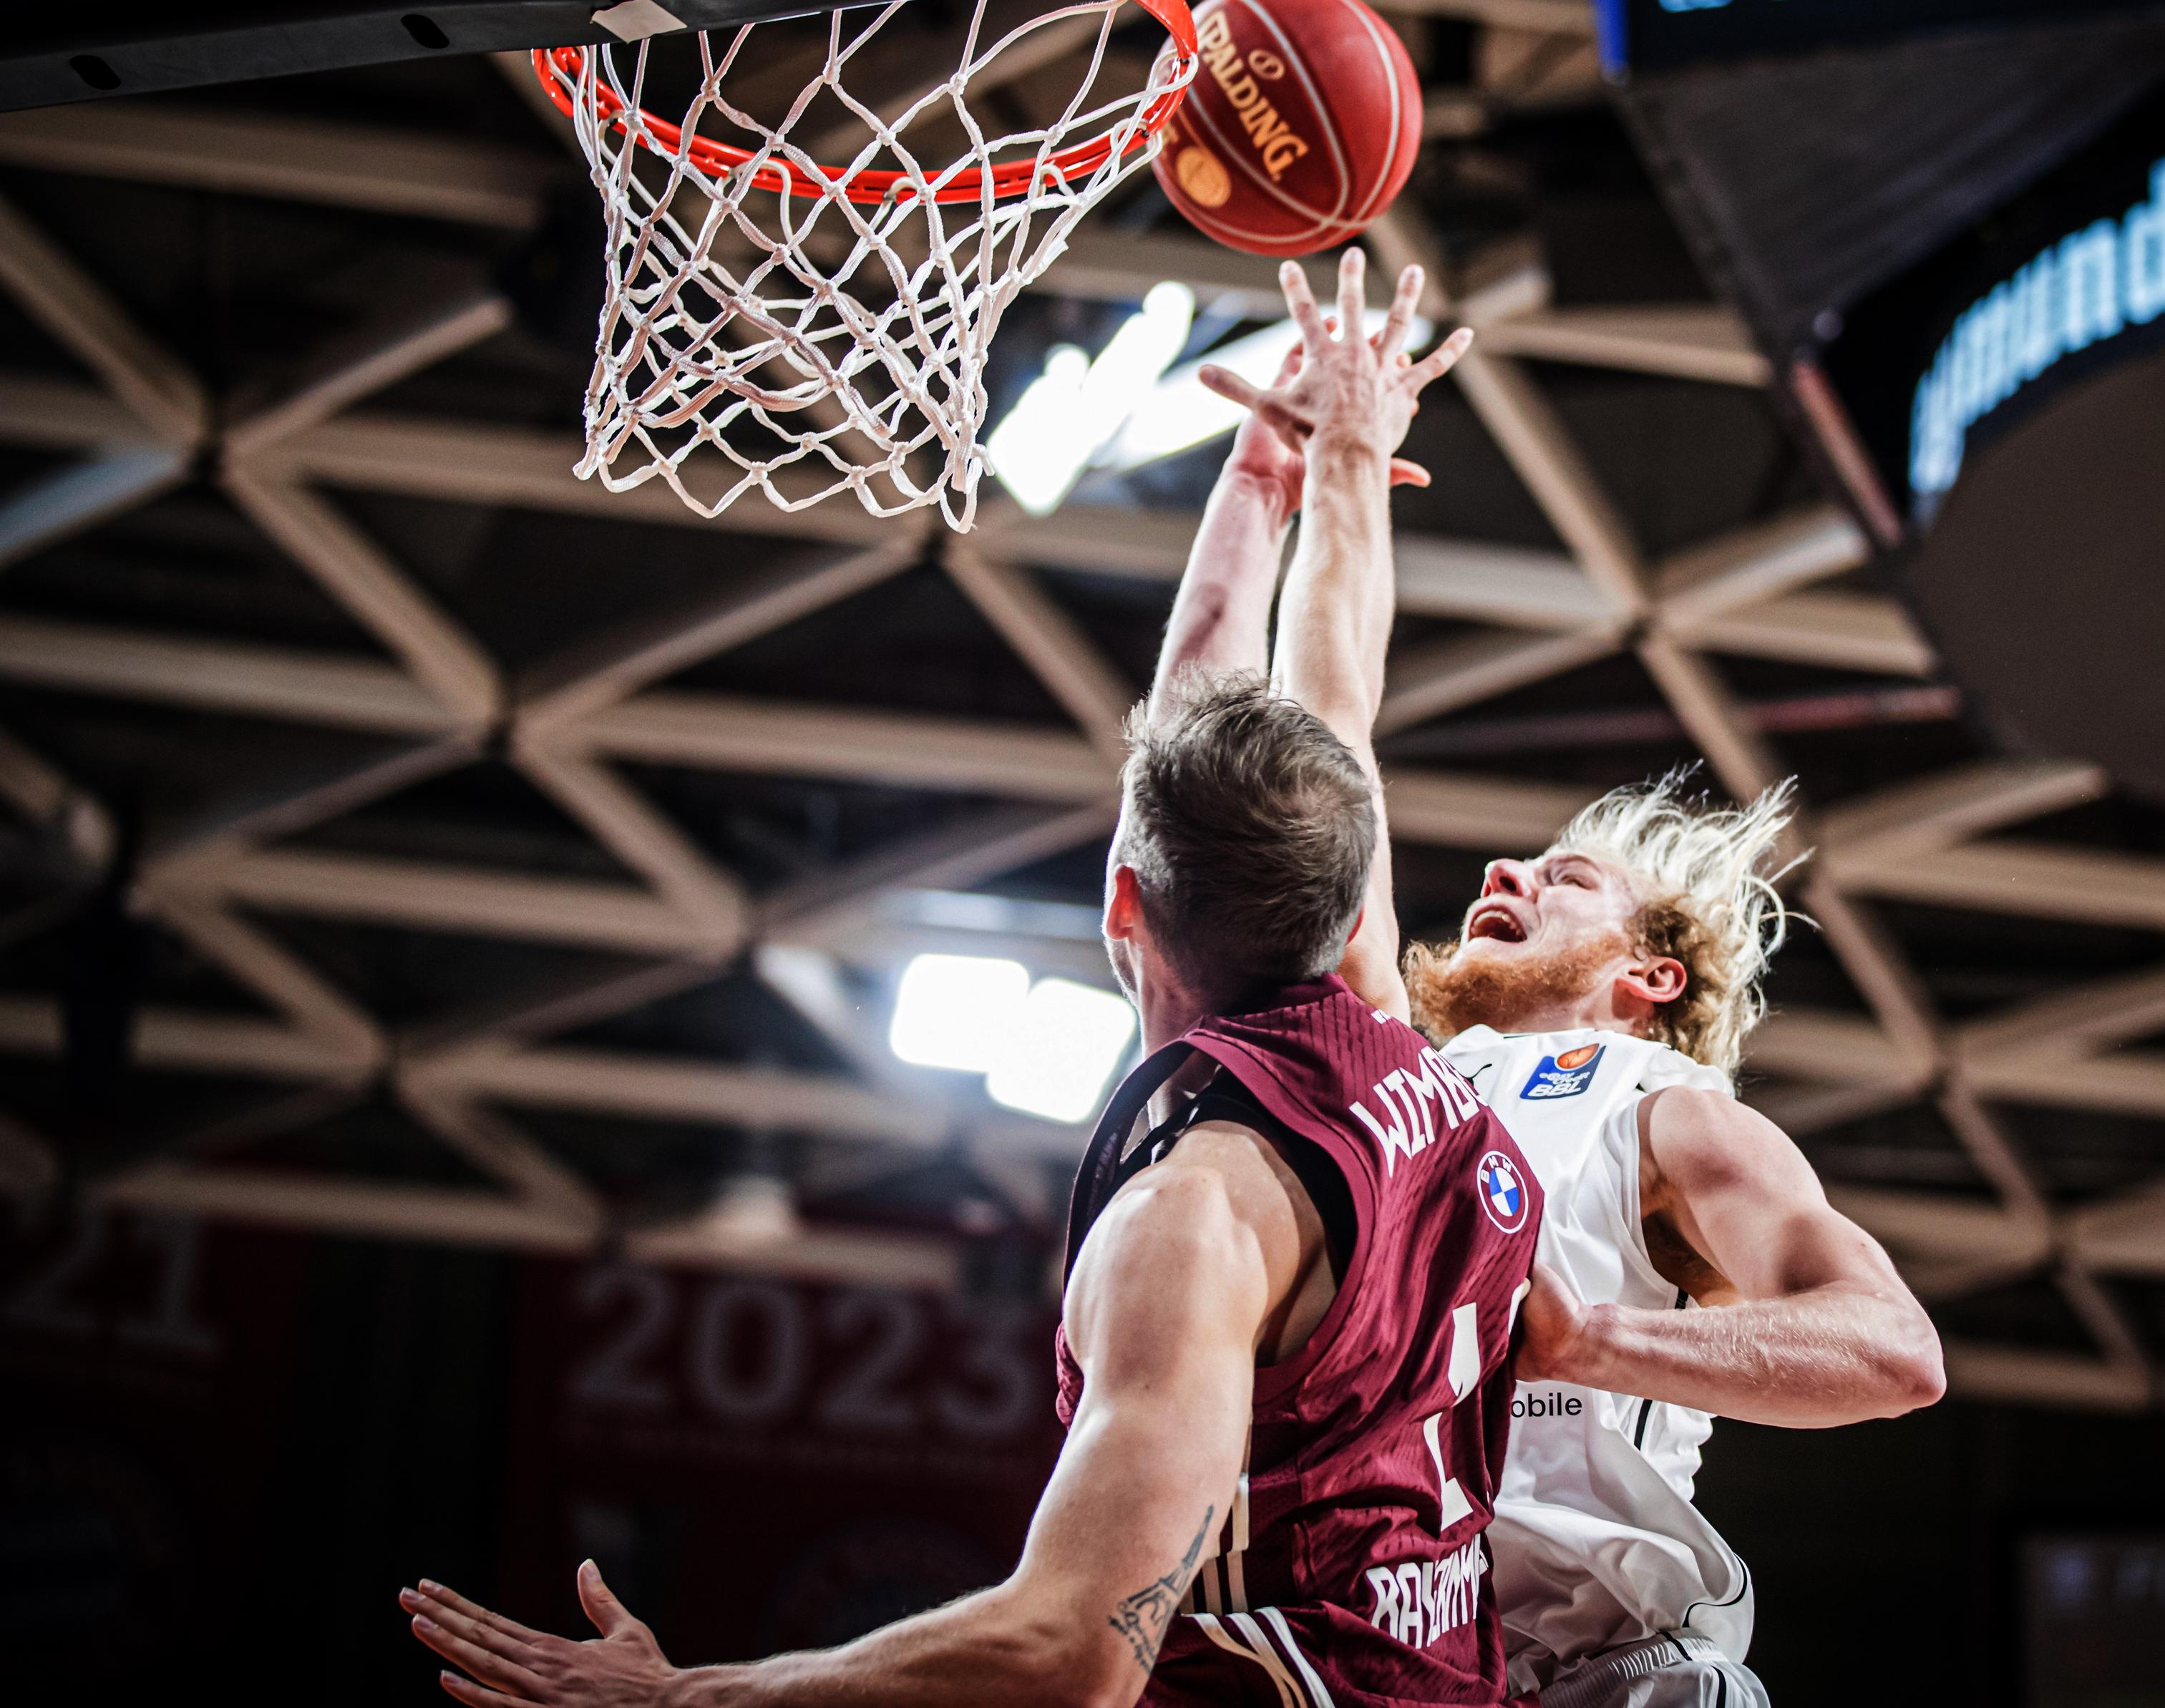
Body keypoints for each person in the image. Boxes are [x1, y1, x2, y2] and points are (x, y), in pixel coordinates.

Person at [398, 259, 1548, 1708]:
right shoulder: (1388, 1029)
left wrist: (689, 1697)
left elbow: (1072, 1648)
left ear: (1121, 900)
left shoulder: (1199, 1220)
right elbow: (1327, 686)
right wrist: (1313, 462)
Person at [1197, 251, 1949, 1708]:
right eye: (1514, 867)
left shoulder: (1665, 1110)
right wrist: (1330, 462)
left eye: (1566, 877)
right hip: (1397, 1661)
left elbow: (1896, 1349)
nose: (1505, 875)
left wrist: (1589, 1333)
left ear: (1651, 974)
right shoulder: (1391, 1071)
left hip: (1618, 1675)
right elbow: (1329, 732)